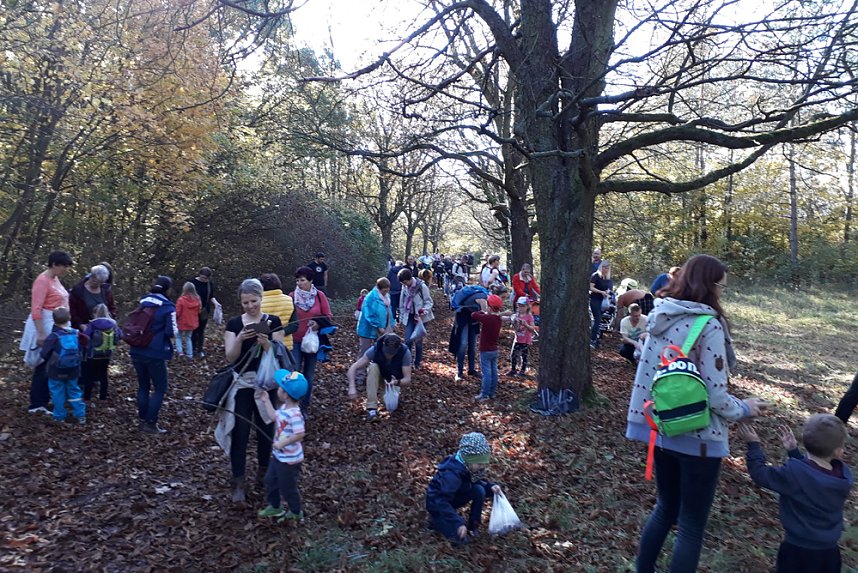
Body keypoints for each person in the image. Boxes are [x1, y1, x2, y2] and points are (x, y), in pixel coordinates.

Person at [626, 254, 768, 573]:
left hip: (661, 430)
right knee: (690, 526)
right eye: (721, 287)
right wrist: (745, 408)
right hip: (700, 439)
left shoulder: (660, 316)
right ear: (709, 286)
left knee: (665, 509)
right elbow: (716, 395)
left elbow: (646, 375)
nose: (722, 293)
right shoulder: (709, 325)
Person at [736, 416, 852, 573]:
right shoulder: (843, 478)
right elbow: (813, 479)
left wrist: (754, 445)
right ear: (839, 452)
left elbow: (760, 474)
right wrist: (794, 453)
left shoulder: (793, 475)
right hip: (829, 553)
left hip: (796, 551)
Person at [219, 278, 287, 503]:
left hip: (266, 386)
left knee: (266, 430)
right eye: (245, 302)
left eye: (253, 301)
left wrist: (266, 342)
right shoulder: (234, 324)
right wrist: (240, 338)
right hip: (242, 384)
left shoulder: (273, 320)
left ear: (261, 298)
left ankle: (263, 473)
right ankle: (238, 481)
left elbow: (278, 353)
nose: (250, 306)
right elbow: (230, 356)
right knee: (240, 432)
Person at [425, 432, 503, 545]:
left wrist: (491, 488)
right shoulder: (452, 476)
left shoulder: (467, 467)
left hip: (453, 497)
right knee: (461, 541)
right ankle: (435, 521)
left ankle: (473, 525)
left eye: (483, 464)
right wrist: (458, 523)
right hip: (438, 505)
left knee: (479, 490)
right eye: (479, 464)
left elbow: (476, 482)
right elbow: (440, 501)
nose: (482, 467)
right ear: (469, 459)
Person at [21, 250, 74, 415]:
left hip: (58, 325)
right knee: (43, 364)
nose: (65, 269)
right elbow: (36, 308)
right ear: (54, 264)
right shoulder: (42, 281)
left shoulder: (55, 279)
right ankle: (37, 403)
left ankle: (45, 398)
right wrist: (41, 333)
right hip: (45, 324)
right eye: (63, 266)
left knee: (53, 364)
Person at [256, 370, 308, 522]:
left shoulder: (295, 414)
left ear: (285, 394)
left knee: (287, 487)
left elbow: (300, 434)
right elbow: (274, 417)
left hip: (290, 460)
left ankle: (296, 512)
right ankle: (275, 506)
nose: (277, 389)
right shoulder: (284, 409)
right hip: (279, 456)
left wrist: (282, 443)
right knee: (270, 480)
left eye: (280, 387)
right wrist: (266, 401)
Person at [130, 275, 177, 435]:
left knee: (143, 385)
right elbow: (172, 332)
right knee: (160, 387)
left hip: (136, 349)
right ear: (168, 289)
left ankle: (142, 419)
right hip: (155, 352)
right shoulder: (168, 307)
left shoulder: (142, 302)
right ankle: (150, 423)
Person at [290, 266, 332, 413]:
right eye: (297, 280)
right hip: (294, 340)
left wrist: (317, 324)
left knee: (309, 375)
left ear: (310, 280)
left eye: (302, 280)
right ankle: (292, 408)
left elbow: (327, 316)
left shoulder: (319, 296)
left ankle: (304, 408)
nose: (299, 283)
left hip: (312, 341)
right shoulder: (291, 297)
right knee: (294, 374)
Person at [347, 333, 412, 422]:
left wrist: (396, 382)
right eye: (387, 351)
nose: (388, 355)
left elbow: (407, 380)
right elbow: (353, 368)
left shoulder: (405, 352)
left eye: (391, 353)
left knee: (390, 406)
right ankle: (371, 409)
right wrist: (352, 387)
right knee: (373, 367)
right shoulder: (375, 349)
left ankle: (387, 399)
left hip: (393, 381)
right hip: (378, 376)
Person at [39, 307, 88, 424]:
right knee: (74, 390)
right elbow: (84, 347)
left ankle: (59, 416)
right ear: (69, 318)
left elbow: (44, 353)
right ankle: (80, 415)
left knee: (57, 392)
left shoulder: (54, 336)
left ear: (53, 320)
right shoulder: (77, 334)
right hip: (74, 369)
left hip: (56, 371)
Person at [355, 278, 393, 383]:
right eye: (385, 290)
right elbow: (369, 314)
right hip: (367, 329)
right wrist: (378, 326)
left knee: (381, 352)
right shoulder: (370, 297)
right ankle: (360, 376)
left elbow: (389, 311)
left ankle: (378, 375)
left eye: (387, 290)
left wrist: (392, 324)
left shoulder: (387, 296)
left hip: (383, 329)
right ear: (379, 288)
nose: (386, 292)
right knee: (364, 352)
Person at [82, 304, 121, 402]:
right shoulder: (113, 324)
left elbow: (85, 337)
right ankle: (103, 397)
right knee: (103, 375)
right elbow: (120, 335)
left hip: (92, 355)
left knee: (89, 376)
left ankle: (87, 397)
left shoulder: (92, 324)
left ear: (95, 313)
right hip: (106, 355)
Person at [398, 268, 434, 370]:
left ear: (409, 279)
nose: (405, 284)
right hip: (409, 316)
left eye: (405, 282)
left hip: (420, 318)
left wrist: (424, 311)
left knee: (418, 342)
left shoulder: (422, 287)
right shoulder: (404, 287)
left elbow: (429, 302)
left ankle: (417, 363)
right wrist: (401, 316)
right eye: (403, 283)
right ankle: (407, 363)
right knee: (408, 340)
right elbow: (402, 303)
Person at [451, 283, 489, 382]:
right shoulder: (482, 298)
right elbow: (485, 314)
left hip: (473, 320)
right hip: (463, 319)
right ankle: (459, 371)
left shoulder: (484, 296)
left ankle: (471, 370)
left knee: (472, 346)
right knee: (463, 344)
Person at [472, 295, 504, 401]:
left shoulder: (487, 318)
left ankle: (484, 395)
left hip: (485, 350)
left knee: (486, 374)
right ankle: (492, 393)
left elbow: (474, 315)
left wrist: (482, 309)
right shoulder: (498, 319)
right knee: (494, 371)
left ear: (490, 307)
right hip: (494, 350)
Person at [69, 264, 117, 331]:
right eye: (95, 282)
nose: (97, 284)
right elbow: (72, 312)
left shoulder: (106, 291)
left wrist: (110, 318)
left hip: (104, 329)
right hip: (84, 330)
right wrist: (80, 325)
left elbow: (112, 308)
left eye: (100, 283)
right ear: (91, 276)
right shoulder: (78, 291)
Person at [259, 273, 298, 352]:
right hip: (285, 347)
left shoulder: (257, 303)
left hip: (263, 348)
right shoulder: (289, 300)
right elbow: (294, 325)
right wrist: (282, 332)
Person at [190, 267, 220, 358]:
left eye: (206, 278)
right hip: (193, 309)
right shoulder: (192, 283)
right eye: (202, 278)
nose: (204, 280)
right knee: (194, 330)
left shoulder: (209, 284)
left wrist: (216, 303)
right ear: (199, 275)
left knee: (201, 330)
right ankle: (193, 348)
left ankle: (200, 349)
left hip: (204, 310)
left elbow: (211, 296)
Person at [508, 297, 537, 377]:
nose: (521, 308)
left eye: (523, 306)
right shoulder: (516, 315)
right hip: (517, 339)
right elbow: (513, 327)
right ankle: (513, 369)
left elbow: (532, 329)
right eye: (519, 305)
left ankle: (522, 371)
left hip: (525, 340)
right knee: (513, 355)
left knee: (524, 356)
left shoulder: (529, 316)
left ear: (527, 306)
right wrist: (514, 322)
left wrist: (525, 324)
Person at [589, 260, 613, 349]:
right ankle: (592, 339)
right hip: (595, 299)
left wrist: (607, 291)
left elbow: (610, 288)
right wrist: (601, 292)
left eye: (607, 268)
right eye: (604, 267)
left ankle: (597, 337)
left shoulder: (608, 278)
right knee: (597, 319)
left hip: (604, 301)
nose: (606, 269)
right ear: (601, 267)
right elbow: (591, 287)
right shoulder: (596, 276)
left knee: (601, 320)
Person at [175, 282, 201, 359]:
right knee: (188, 337)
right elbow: (199, 311)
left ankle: (180, 352)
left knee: (178, 336)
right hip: (192, 322)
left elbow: (178, 312)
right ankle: (190, 354)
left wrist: (175, 319)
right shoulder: (197, 299)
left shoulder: (181, 300)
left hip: (182, 322)